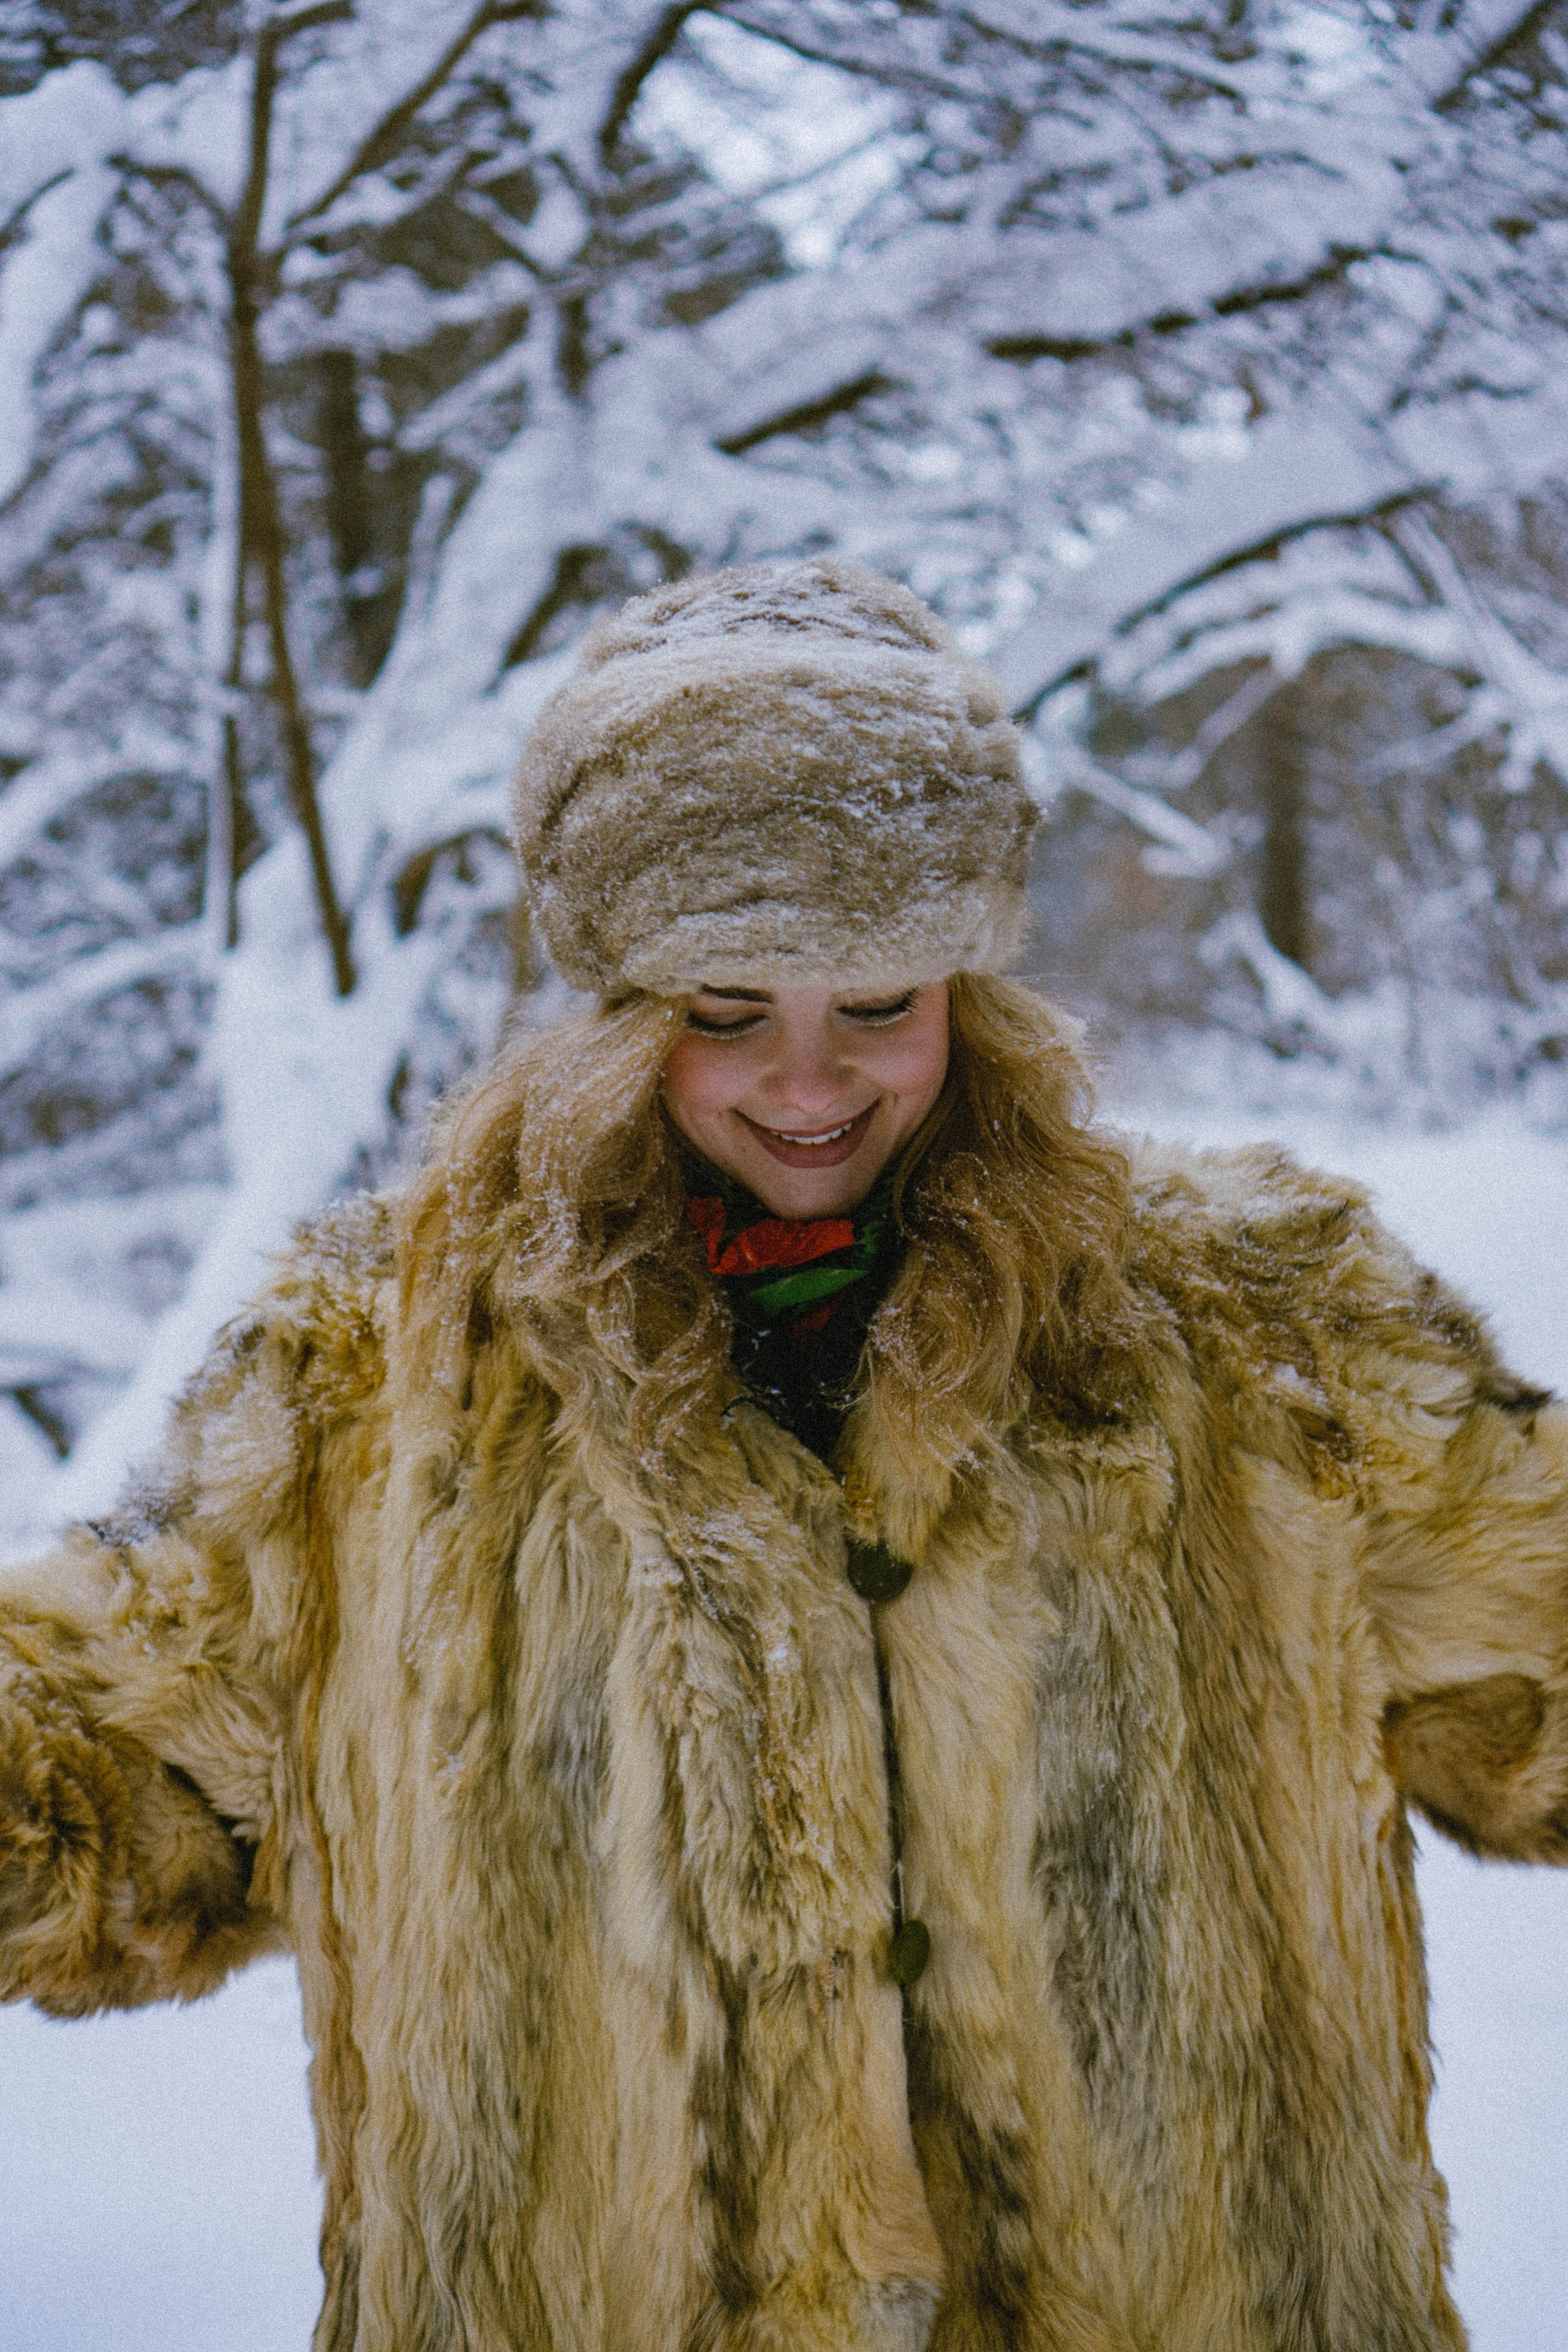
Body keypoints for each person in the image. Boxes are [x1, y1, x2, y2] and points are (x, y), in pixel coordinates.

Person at [1, 560, 1563, 2352]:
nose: (810, 1089)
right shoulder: (370, 1387)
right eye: (722, 1012)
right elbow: (105, 1783)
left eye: (881, 1007)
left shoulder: (1262, 1335)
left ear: (969, 986)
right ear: (605, 1011)